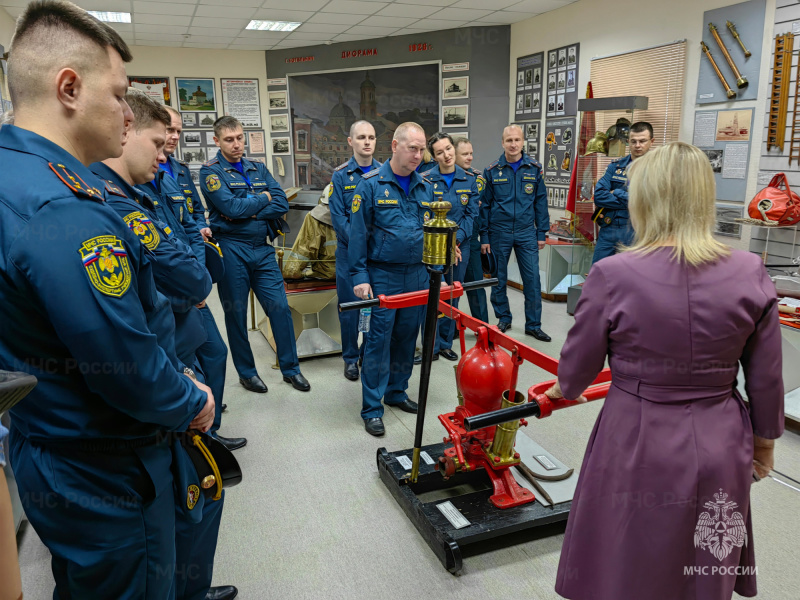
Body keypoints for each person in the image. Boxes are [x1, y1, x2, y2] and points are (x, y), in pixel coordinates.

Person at [0, 2, 214, 597]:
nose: (127, 112)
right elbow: (125, 367)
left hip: (46, 444)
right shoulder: (65, 207)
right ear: (69, 87)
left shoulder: (10, 171)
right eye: (119, 94)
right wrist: (189, 400)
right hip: (103, 465)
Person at [548, 142, 784, 600]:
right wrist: (765, 442)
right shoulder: (750, 270)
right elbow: (766, 376)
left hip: (636, 435)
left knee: (626, 555)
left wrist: (566, 387)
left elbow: (575, 372)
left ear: (644, 198)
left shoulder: (615, 274)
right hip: (720, 435)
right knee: (705, 563)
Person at [89, 89, 237, 600]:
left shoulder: (137, 191)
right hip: (145, 394)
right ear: (126, 133)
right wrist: (185, 392)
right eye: (158, 140)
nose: (165, 152)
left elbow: (187, 262)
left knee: (194, 500)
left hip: (168, 353)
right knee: (188, 501)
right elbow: (185, 282)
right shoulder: (107, 203)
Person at [200, 116, 310, 393]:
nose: (236, 144)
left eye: (239, 137)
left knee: (280, 308)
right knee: (236, 314)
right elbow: (231, 208)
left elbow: (282, 201)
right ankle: (247, 374)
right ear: (217, 141)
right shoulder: (211, 172)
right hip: (231, 247)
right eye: (229, 139)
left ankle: (290, 368)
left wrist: (246, 207)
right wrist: (263, 200)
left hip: (262, 248)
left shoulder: (258, 167)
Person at [349, 122, 431, 436]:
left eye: (422, 149)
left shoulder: (424, 185)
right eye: (413, 148)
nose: (418, 155)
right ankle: (372, 408)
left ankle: (397, 391)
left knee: (407, 339)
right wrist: (359, 274)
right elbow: (357, 235)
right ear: (395, 146)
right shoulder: (370, 185)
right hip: (381, 275)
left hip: (416, 275)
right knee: (376, 342)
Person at [160, 104, 235, 449]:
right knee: (186, 362)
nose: (173, 136)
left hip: (192, 280)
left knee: (215, 353)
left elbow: (190, 221)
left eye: (177, 130)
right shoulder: (137, 178)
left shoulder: (177, 170)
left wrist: (198, 274)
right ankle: (196, 434)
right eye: (168, 130)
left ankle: (211, 429)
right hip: (170, 294)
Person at [480, 124, 551, 341]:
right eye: (509, 140)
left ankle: (533, 324)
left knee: (532, 280)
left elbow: (540, 202)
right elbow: (484, 206)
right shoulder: (492, 171)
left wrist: (542, 233)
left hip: (526, 232)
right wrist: (484, 236)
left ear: (522, 142)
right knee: (498, 280)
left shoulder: (534, 168)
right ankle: (504, 318)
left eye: (517, 140)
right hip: (499, 232)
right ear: (502, 143)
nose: (513, 144)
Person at [329, 120, 380, 381]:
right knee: (350, 308)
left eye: (371, 137)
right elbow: (338, 218)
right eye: (361, 137)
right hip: (349, 254)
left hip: (377, 256)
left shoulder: (384, 173)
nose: (367, 142)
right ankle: (350, 357)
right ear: (350, 141)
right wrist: (361, 245)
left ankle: (367, 352)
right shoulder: (340, 176)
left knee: (372, 307)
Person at [422, 133, 478, 361]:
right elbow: (424, 216)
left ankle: (445, 343)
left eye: (448, 149)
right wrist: (444, 244)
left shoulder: (469, 179)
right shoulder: (425, 180)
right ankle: (430, 346)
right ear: (434, 157)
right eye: (439, 152)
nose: (446, 155)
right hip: (433, 247)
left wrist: (454, 241)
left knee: (453, 294)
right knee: (432, 296)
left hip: (459, 246)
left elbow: (471, 215)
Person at [591, 121, 654, 264]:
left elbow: (646, 202)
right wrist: (631, 200)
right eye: (633, 141)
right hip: (609, 229)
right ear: (628, 142)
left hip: (636, 230)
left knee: (630, 278)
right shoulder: (616, 166)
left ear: (652, 141)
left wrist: (616, 192)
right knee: (599, 274)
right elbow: (599, 196)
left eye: (642, 141)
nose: (638, 145)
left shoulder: (656, 170)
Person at [454, 137, 489, 324]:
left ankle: (482, 327)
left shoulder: (478, 179)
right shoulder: (447, 178)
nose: (469, 157)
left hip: (472, 240)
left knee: (476, 286)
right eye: (465, 154)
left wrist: (484, 237)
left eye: (471, 153)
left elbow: (482, 213)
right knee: (453, 289)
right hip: (452, 243)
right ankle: (449, 331)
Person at [283, 183, 337, 280]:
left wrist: (291, 272)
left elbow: (303, 249)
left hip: (327, 274)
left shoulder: (315, 218)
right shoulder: (359, 215)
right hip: (357, 275)